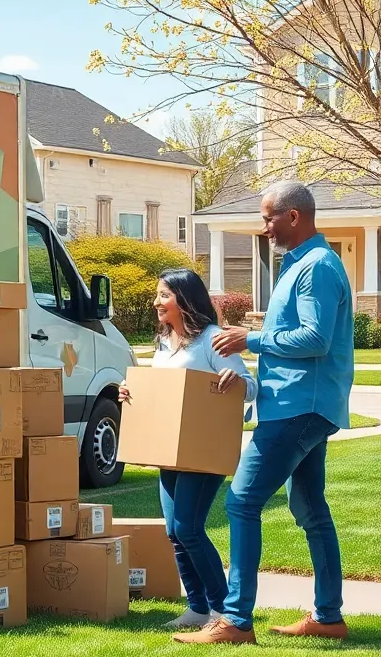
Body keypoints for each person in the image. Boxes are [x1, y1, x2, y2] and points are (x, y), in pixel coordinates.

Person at [177, 181, 353, 645]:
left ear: (294, 216)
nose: (264, 226)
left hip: (300, 407)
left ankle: (235, 621)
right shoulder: (301, 265)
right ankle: (328, 616)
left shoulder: (316, 268)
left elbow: (316, 340)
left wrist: (249, 339)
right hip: (300, 405)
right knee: (311, 508)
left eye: (268, 217)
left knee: (241, 500)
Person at [118, 269, 257, 631]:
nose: (156, 302)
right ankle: (196, 608)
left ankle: (223, 610)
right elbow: (161, 391)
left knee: (189, 528)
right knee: (174, 532)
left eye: (163, 295)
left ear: (184, 298)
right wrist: (130, 391)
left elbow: (251, 387)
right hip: (171, 449)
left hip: (203, 450)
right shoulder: (164, 343)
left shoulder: (212, 339)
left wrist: (237, 381)